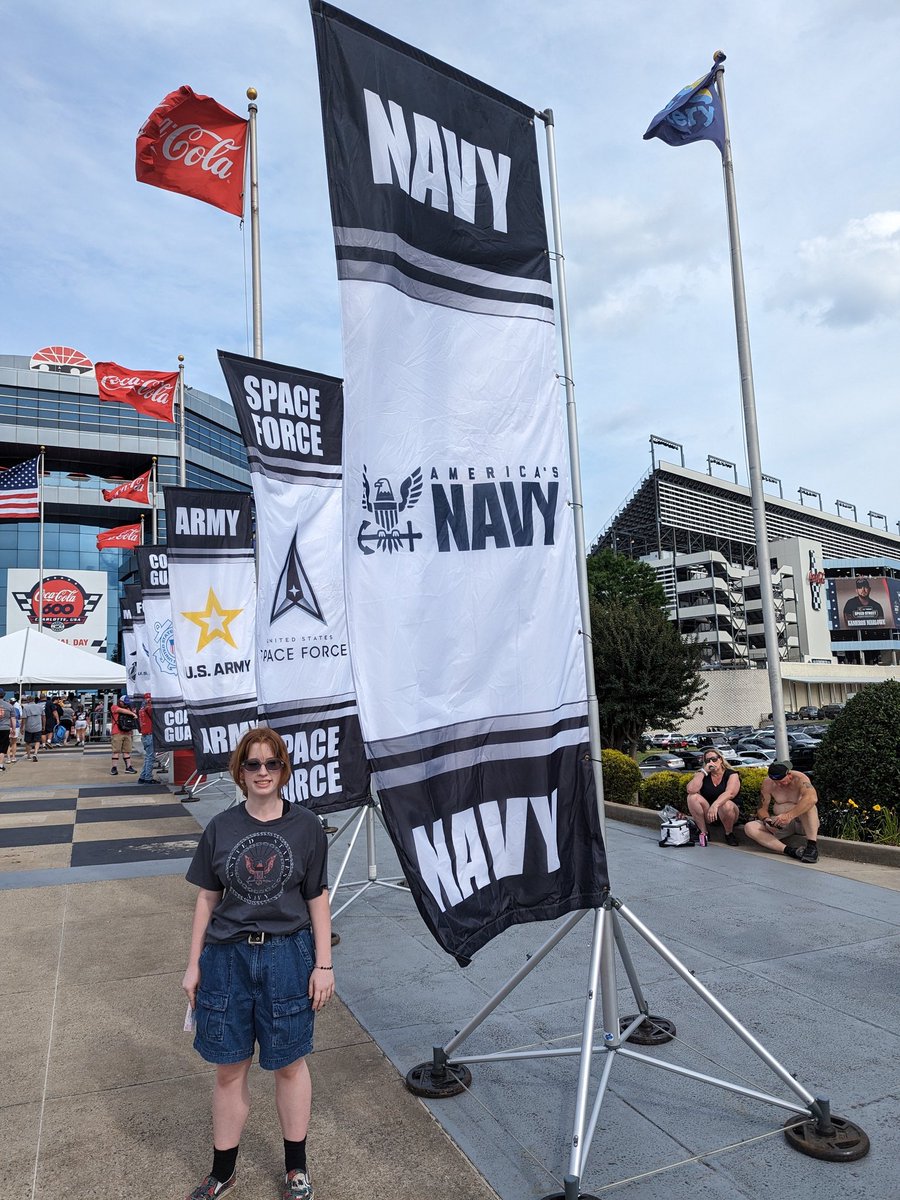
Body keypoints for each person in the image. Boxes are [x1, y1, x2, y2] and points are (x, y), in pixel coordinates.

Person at [182, 727, 333, 1200]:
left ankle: (296, 1170)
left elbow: (317, 898)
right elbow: (207, 899)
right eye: (253, 764)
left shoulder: (307, 826)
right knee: (229, 1067)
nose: (263, 772)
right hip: (227, 957)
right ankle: (222, 1171)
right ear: (240, 772)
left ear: (284, 769)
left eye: (272, 763)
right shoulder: (221, 828)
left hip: (288, 955)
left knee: (289, 1064)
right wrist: (194, 965)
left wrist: (323, 965)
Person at [743, 761, 819, 863]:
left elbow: (812, 798)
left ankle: (812, 847)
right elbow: (762, 808)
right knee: (749, 827)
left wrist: (789, 816)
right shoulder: (768, 783)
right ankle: (790, 851)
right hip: (781, 823)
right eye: (775, 782)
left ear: (789, 775)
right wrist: (766, 820)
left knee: (809, 806)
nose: (779, 785)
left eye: (782, 781)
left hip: (802, 823)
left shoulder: (801, 779)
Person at [685, 748, 742, 846]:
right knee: (692, 797)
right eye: (708, 761)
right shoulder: (704, 775)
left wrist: (715, 805)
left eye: (714, 759)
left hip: (729, 813)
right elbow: (691, 790)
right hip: (710, 813)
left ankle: (729, 833)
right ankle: (704, 832)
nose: (711, 762)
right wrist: (702, 772)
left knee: (726, 803)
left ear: (720, 759)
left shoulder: (732, 774)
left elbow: (730, 793)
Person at [109, 695, 138, 776]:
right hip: (117, 732)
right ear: (120, 701)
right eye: (124, 703)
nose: (125, 705)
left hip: (127, 732)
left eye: (126, 704)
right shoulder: (114, 707)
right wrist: (132, 713)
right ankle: (114, 767)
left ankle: (128, 767)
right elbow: (121, 710)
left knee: (127, 751)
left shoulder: (128, 709)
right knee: (116, 751)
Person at [137, 693, 156, 785]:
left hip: (144, 735)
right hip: (150, 734)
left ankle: (143, 776)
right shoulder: (149, 708)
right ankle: (148, 777)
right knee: (150, 757)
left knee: (147, 757)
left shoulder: (141, 710)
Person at [22, 695, 45, 762]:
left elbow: (24, 718)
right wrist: (43, 725)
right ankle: (35, 753)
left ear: (27, 700)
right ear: (34, 700)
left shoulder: (25, 707)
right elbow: (43, 717)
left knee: (28, 742)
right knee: (37, 741)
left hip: (28, 727)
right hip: (38, 726)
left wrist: (22, 727)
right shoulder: (40, 707)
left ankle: (29, 755)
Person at [0, 691, 14, 772]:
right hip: (5, 728)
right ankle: (1, 765)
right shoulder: (9, 706)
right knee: (2, 747)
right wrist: (13, 728)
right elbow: (13, 718)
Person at [7, 697, 21, 764]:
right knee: (14, 742)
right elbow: (18, 717)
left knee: (7, 743)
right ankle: (13, 757)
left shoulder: (6, 708)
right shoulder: (16, 709)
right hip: (16, 726)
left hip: (7, 726)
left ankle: (8, 758)